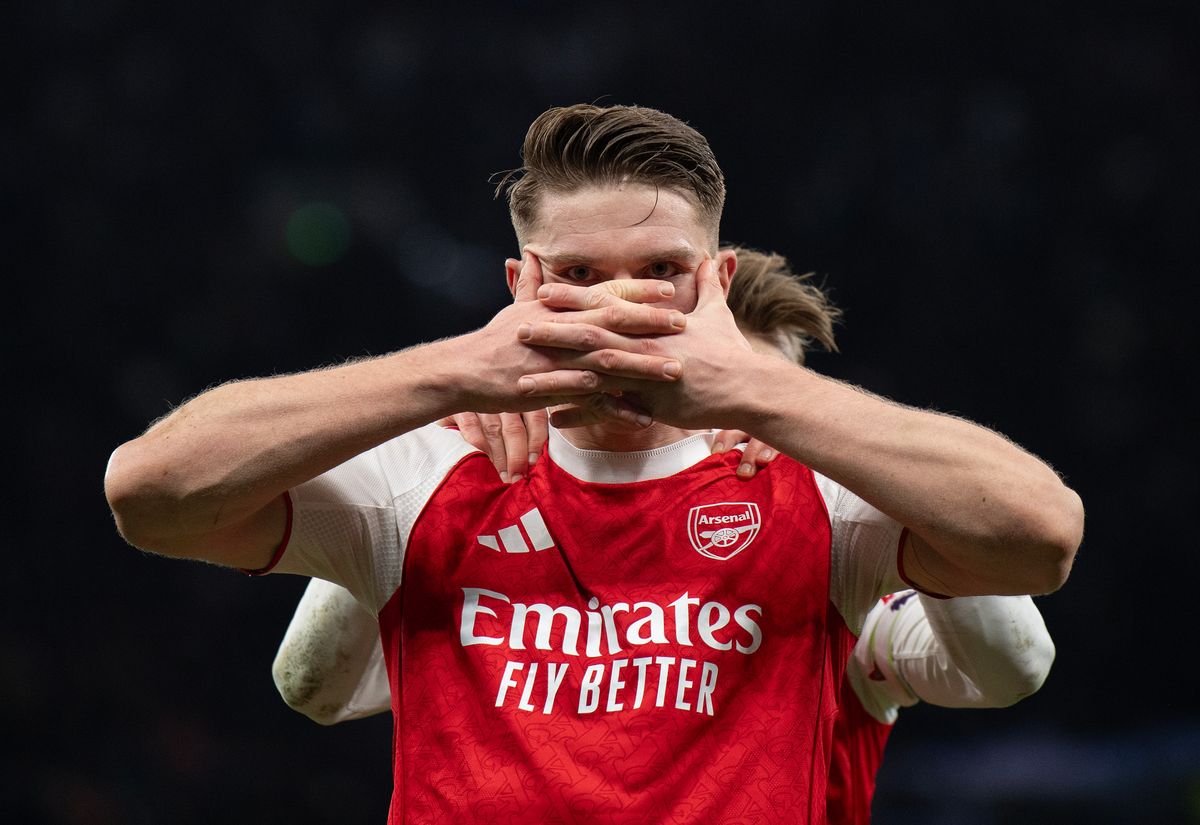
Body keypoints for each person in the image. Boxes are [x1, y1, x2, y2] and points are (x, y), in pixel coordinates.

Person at [104, 103, 1084, 824]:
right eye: (576, 276)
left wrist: (759, 392)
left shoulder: (808, 480)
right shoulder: (423, 469)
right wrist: (457, 373)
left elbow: (1038, 542)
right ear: (520, 285)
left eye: (661, 270)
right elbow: (151, 497)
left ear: (718, 280)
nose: (620, 303)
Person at [271, 248, 1057, 824]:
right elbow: (313, 683)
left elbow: (1015, 664)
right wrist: (430, 465)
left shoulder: (843, 579)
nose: (731, 427)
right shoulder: (518, 557)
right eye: (696, 393)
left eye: (761, 404)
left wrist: (869, 462)